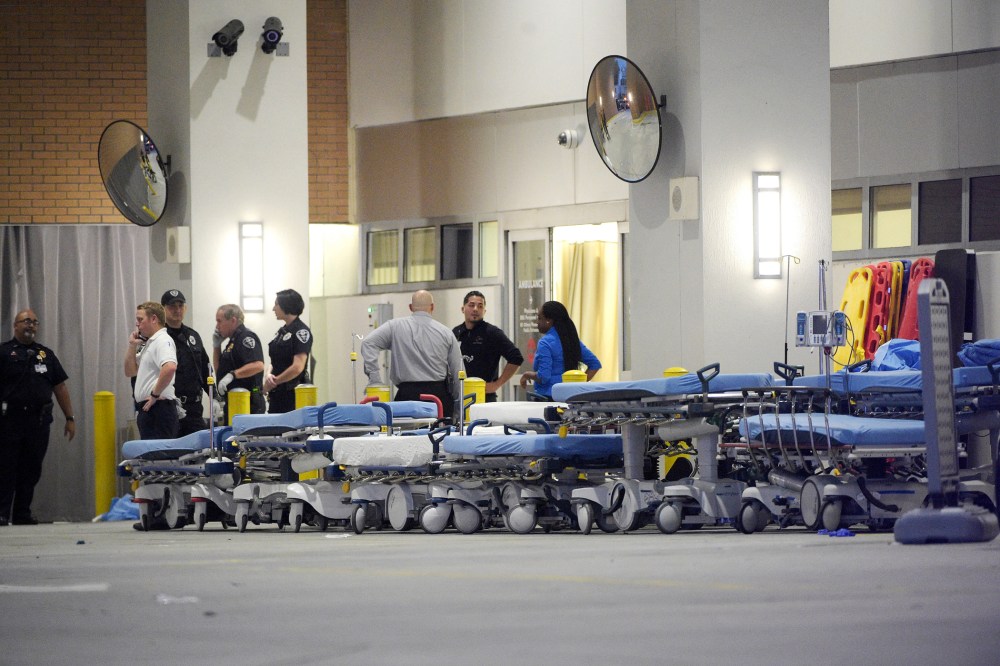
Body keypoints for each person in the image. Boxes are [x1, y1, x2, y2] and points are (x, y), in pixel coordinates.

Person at [0, 310, 76, 525]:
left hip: (38, 421)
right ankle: (2, 513)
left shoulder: (45, 354)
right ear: (15, 325)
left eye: (35, 322)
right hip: (9, 421)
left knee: (31, 468)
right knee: (6, 468)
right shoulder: (4, 352)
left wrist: (70, 418)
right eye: (26, 321)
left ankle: (22, 513)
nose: (31, 325)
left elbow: (60, 387)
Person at [362, 290, 463, 421]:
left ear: (410, 307)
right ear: (432, 307)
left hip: (406, 397)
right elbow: (458, 371)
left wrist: (375, 379)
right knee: (439, 432)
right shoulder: (446, 333)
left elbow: (368, 343)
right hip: (438, 398)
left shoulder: (394, 327)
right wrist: (458, 404)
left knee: (404, 431)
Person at [519, 300, 601, 400]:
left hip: (548, 398)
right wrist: (578, 384)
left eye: (540, 318)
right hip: (570, 398)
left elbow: (544, 376)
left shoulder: (545, 342)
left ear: (549, 321)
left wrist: (527, 374)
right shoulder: (572, 341)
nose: (537, 322)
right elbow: (595, 364)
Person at [452, 290, 523, 402]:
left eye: (480, 306)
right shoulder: (456, 333)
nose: (475, 309)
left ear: (484, 311)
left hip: (484, 397)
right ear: (463, 309)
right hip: (460, 396)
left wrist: (497, 384)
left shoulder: (492, 333)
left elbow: (516, 357)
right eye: (471, 305)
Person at [124, 301, 179, 439]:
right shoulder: (149, 343)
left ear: (154, 319)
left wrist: (154, 394)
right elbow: (130, 371)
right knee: (150, 452)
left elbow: (170, 367)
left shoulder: (162, 340)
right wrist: (132, 345)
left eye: (140, 319)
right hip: (149, 409)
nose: (137, 324)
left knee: (158, 452)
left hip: (159, 409)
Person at [160, 289, 212, 435]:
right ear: (163, 309)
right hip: (169, 407)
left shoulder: (193, 336)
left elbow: (205, 369)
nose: (177, 310)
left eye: (180, 306)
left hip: (194, 409)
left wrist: (213, 396)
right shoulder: (159, 337)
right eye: (172, 306)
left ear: (185, 308)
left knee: (200, 447)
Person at [264, 289, 313, 413]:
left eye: (276, 304)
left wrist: (274, 382)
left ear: (286, 305)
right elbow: (274, 361)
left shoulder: (301, 331)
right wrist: (268, 375)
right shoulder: (282, 332)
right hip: (278, 394)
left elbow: (297, 367)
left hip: (292, 395)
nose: (273, 309)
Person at [214, 304, 265, 419]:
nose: (217, 326)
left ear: (233, 321)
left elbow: (258, 365)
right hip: (234, 401)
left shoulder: (245, 337)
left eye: (219, 321)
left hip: (248, 402)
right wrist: (216, 346)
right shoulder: (233, 341)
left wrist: (233, 375)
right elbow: (219, 371)